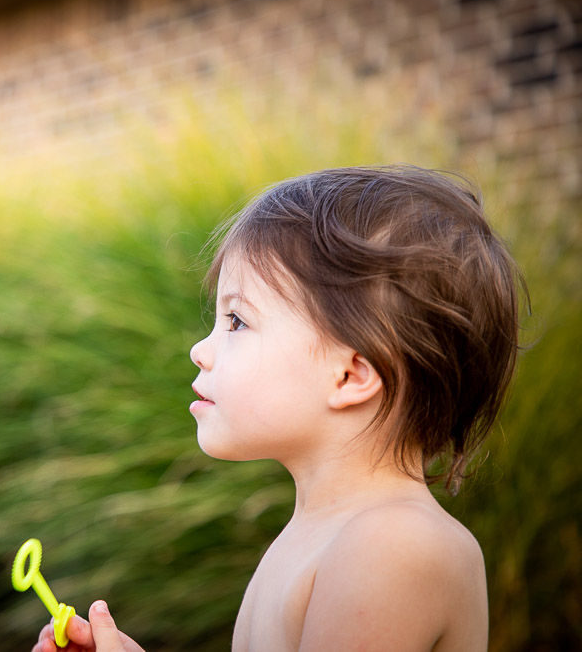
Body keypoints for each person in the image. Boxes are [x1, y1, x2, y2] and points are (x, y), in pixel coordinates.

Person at [32, 165, 523, 652]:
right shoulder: (317, 534)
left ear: (350, 376)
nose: (200, 350)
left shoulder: (395, 545)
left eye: (238, 321)